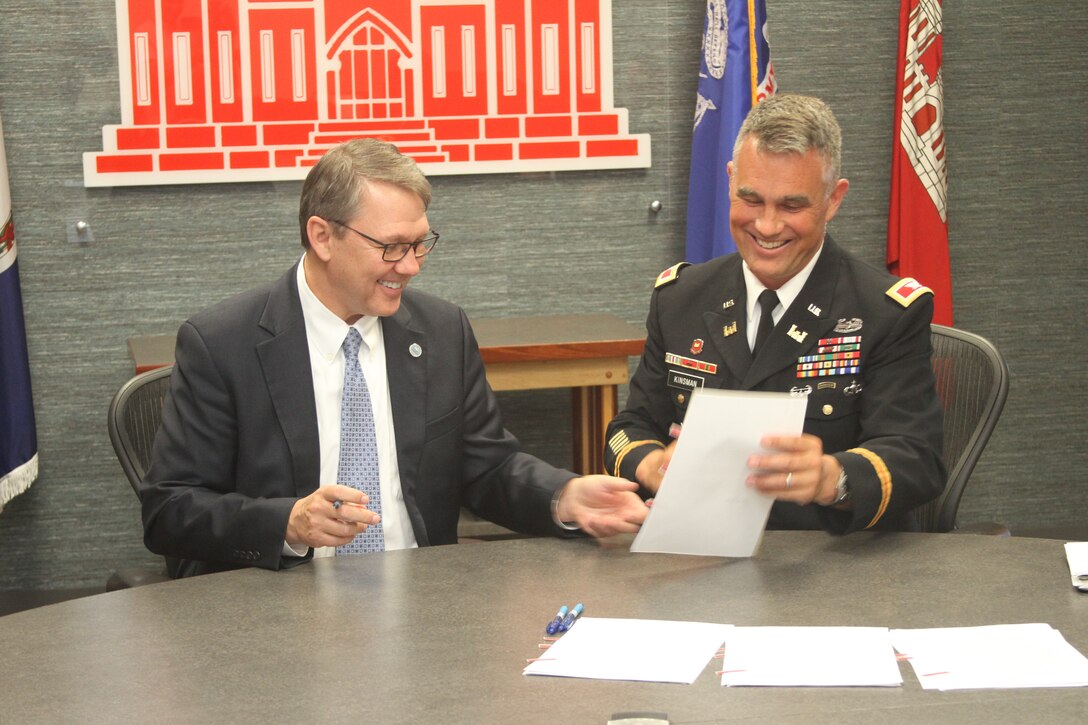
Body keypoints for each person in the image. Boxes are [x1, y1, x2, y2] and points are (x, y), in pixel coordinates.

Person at [141, 138, 647, 577]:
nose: (410, 267)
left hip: (422, 599)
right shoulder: (223, 344)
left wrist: (563, 496)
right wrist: (290, 523)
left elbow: (486, 467)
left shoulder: (441, 330)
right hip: (282, 603)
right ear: (323, 236)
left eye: (420, 243)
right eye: (391, 247)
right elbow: (171, 509)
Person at [604, 93, 944, 533]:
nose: (766, 226)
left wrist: (831, 478)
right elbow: (630, 427)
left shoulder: (884, 312)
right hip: (698, 558)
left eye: (791, 206)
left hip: (831, 564)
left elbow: (918, 457)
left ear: (834, 199)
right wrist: (651, 465)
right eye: (751, 199)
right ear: (730, 182)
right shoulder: (681, 296)